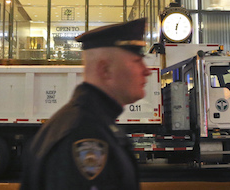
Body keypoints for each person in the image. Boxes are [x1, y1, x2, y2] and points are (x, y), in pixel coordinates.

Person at [20, 18, 151, 190]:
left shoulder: (89, 122)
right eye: (137, 61)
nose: (147, 71)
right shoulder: (84, 135)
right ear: (105, 70)